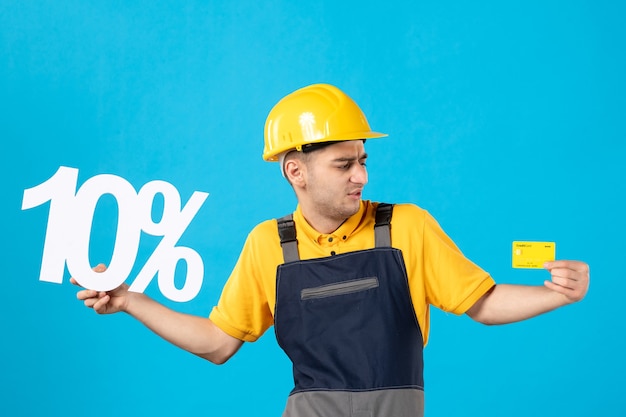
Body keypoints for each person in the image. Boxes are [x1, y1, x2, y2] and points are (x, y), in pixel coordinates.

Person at [73, 83, 590, 417]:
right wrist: (127, 300)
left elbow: (481, 302)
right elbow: (217, 343)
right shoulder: (268, 246)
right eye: (344, 165)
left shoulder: (406, 227)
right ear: (294, 171)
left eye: (363, 160)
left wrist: (556, 295)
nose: (361, 176)